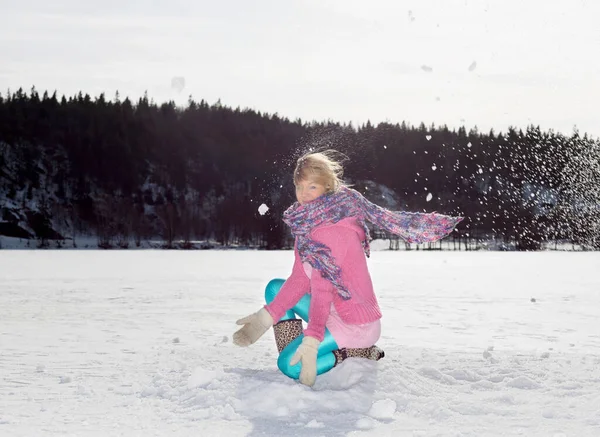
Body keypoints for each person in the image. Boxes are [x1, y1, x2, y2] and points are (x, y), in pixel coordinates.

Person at [233, 150, 463, 387]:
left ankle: (347, 353)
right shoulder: (307, 226)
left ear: (327, 186)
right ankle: (298, 348)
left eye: (312, 187)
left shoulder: (334, 231)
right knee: (275, 289)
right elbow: (300, 280)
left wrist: (311, 342)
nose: (304, 195)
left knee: (288, 366)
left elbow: (322, 293)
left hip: (354, 324)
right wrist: (265, 318)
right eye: (300, 187)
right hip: (330, 311)